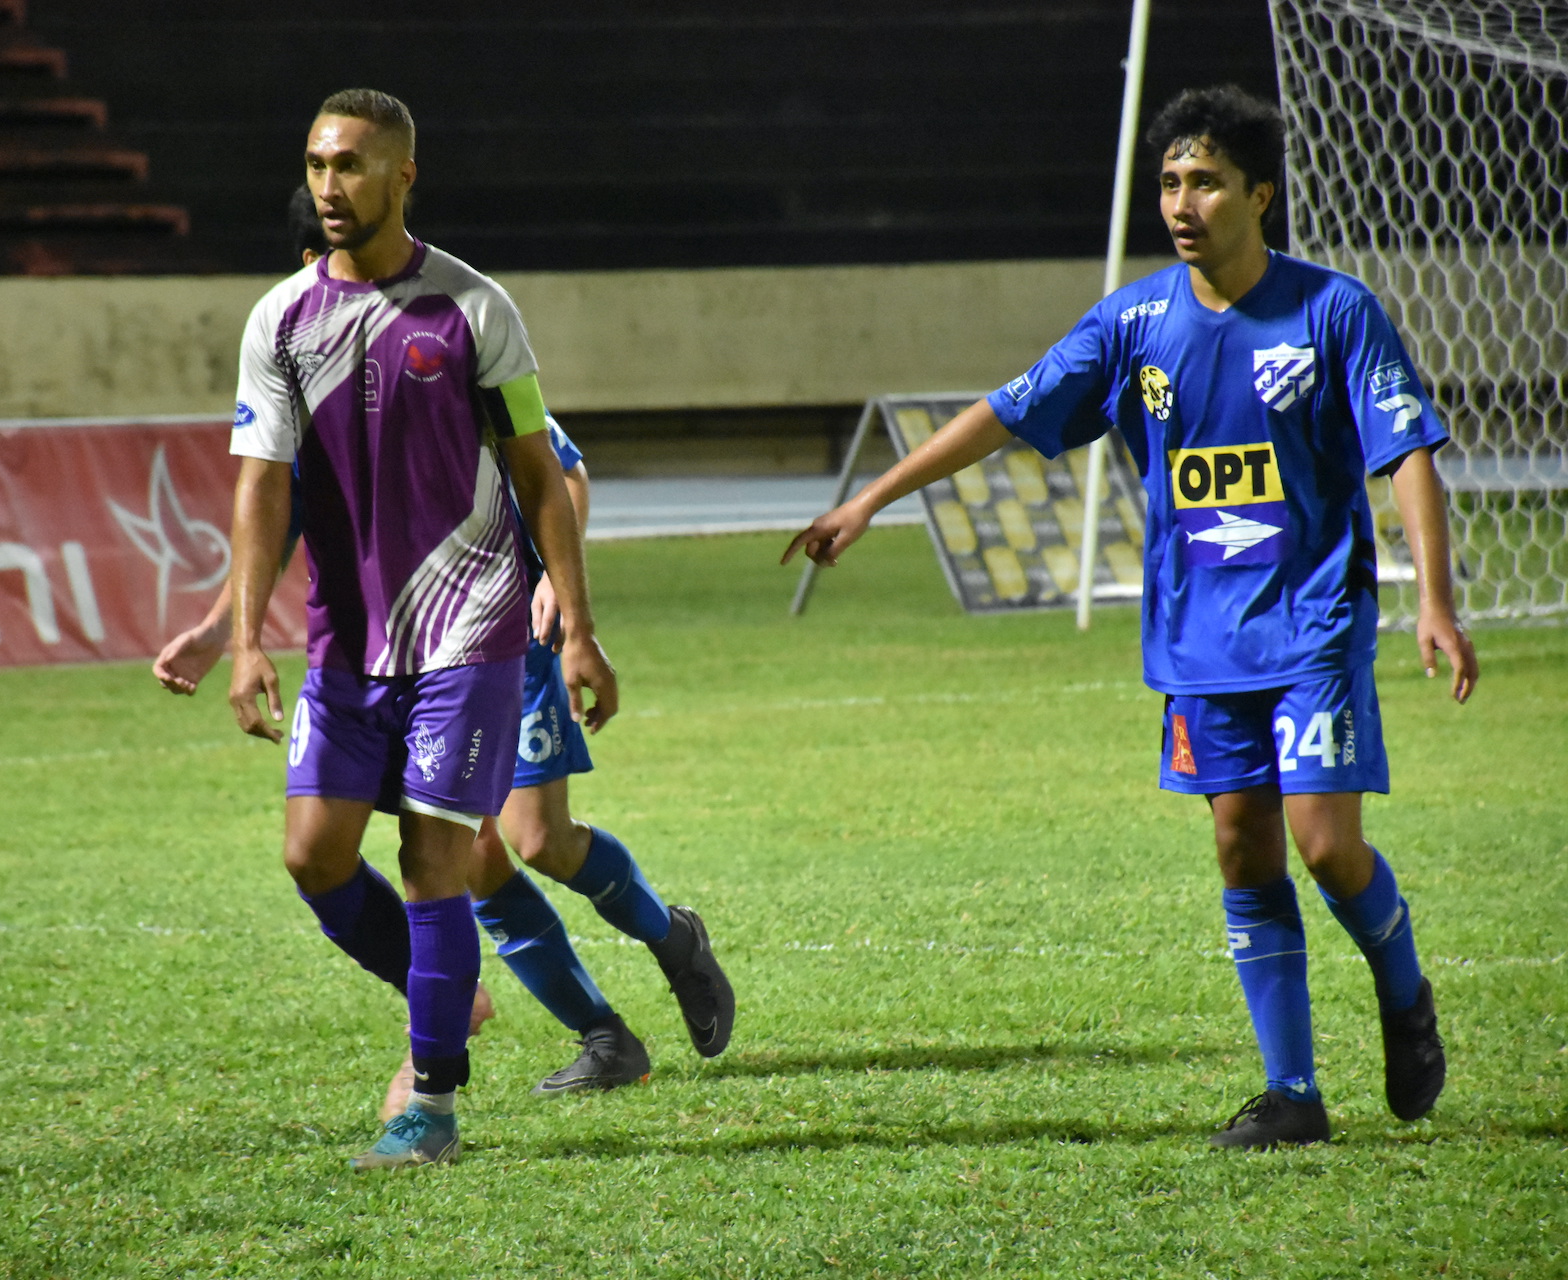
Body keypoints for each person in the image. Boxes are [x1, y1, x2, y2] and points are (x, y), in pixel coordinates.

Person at [783, 85, 1474, 1150]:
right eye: (1168, 182)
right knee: (1243, 847)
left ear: (1260, 193)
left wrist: (1434, 597)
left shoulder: (1333, 310)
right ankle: (1292, 1092)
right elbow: (1005, 412)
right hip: (1200, 639)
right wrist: (873, 496)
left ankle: (1403, 989)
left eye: (1204, 181)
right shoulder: (1136, 321)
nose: (1182, 201)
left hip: (1311, 623)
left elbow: (1407, 451)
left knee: (1326, 845)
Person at [159, 399, 736, 1117]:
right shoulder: (303, 363)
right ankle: (603, 1034)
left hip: (502, 637)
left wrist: (559, 581)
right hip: (398, 658)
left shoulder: (446, 342)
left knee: (540, 840)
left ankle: (671, 936)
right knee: (470, 857)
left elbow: (564, 470)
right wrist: (222, 629)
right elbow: (280, 510)